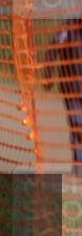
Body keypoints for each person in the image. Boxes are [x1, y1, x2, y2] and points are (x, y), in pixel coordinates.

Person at [43, 18, 82, 174]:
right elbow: (55, 47)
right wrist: (48, 74)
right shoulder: (68, 27)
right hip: (72, 89)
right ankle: (79, 172)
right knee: (78, 129)